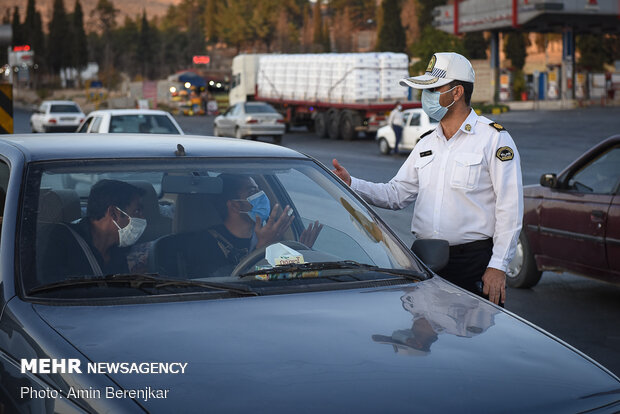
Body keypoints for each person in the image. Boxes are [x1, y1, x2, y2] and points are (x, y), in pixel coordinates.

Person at [332, 52, 523, 306]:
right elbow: (396, 194)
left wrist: (498, 266)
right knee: (426, 338)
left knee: (470, 341)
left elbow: (510, 208)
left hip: (472, 263)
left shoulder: (493, 139)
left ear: (457, 93)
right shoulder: (426, 143)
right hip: (424, 261)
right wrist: (352, 184)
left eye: (433, 89)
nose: (426, 97)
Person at [180, 174, 322, 277]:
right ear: (235, 205)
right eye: (253, 192)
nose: (262, 196)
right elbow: (226, 285)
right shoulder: (204, 244)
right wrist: (262, 247)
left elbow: (282, 276)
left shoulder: (268, 236)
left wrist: (304, 253)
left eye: (260, 190)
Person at [40, 180, 147, 282]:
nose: (143, 218)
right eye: (137, 211)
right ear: (114, 213)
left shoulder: (120, 252)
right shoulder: (61, 240)